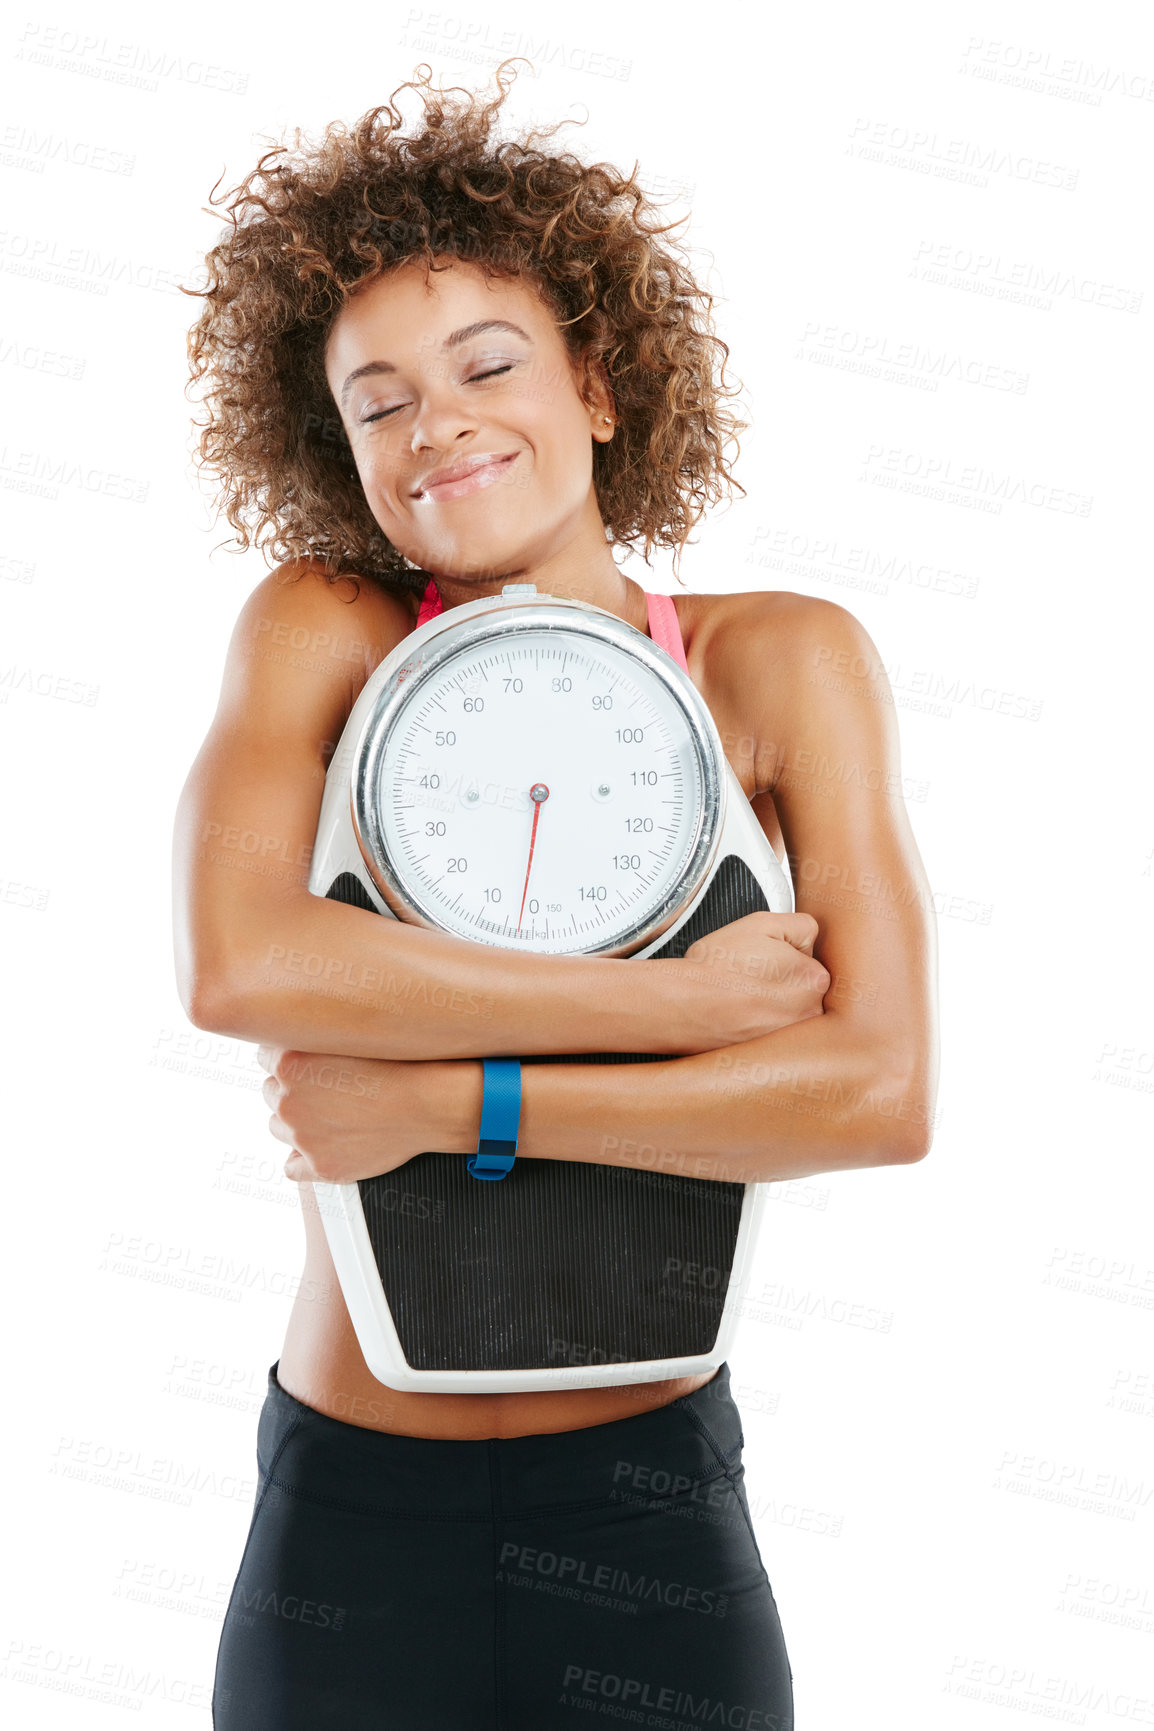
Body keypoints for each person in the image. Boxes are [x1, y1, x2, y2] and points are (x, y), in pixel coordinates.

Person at [174, 60, 938, 1730]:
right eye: (377, 401)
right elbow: (243, 964)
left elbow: (875, 1095)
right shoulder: (327, 626)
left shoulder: (775, 661)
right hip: (353, 1511)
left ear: (599, 385)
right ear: (337, 450)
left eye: (486, 363)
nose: (437, 423)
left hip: (650, 1503)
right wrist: (664, 1014)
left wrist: (453, 1096)